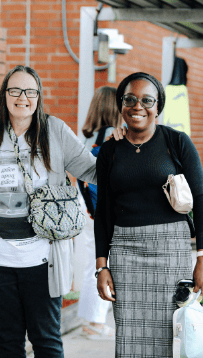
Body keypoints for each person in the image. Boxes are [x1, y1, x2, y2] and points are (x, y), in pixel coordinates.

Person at [0, 65, 97, 358]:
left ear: (38, 96)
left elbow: (90, 169)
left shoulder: (54, 131)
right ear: (4, 95)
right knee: (8, 342)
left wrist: (122, 154)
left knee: (46, 341)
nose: (22, 97)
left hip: (41, 259)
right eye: (14, 90)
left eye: (30, 91)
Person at [94, 72, 203, 357]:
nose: (138, 106)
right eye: (130, 99)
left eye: (147, 100)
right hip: (125, 253)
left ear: (158, 106)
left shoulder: (177, 142)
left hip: (170, 254)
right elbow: (104, 212)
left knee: (167, 335)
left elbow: (201, 201)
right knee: (129, 338)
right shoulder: (110, 150)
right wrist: (101, 266)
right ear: (121, 105)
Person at [77, 86, 120, 340]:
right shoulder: (108, 138)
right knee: (103, 265)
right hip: (98, 211)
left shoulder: (88, 136)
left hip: (88, 209)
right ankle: (94, 321)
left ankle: (92, 320)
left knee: (94, 265)